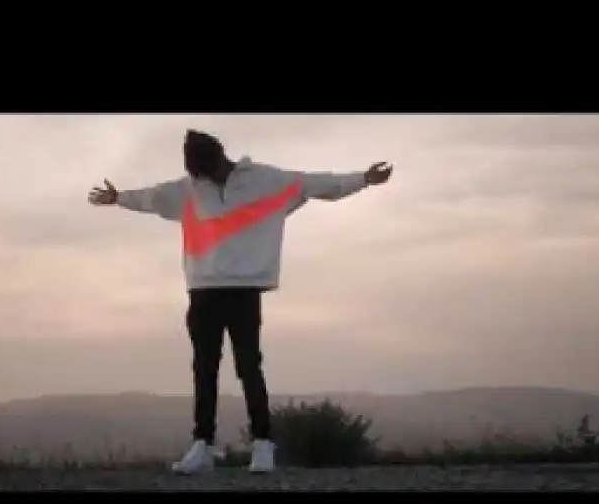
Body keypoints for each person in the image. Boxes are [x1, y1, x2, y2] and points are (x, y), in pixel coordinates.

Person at [88, 129, 393, 474]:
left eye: (208, 171)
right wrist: (118, 198)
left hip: (244, 289)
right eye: (199, 174)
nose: (205, 179)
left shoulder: (264, 180)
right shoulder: (189, 189)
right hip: (202, 289)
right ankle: (203, 445)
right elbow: (151, 197)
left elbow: (316, 183)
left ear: (221, 157)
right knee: (204, 369)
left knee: (248, 366)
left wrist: (364, 179)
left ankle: (263, 443)